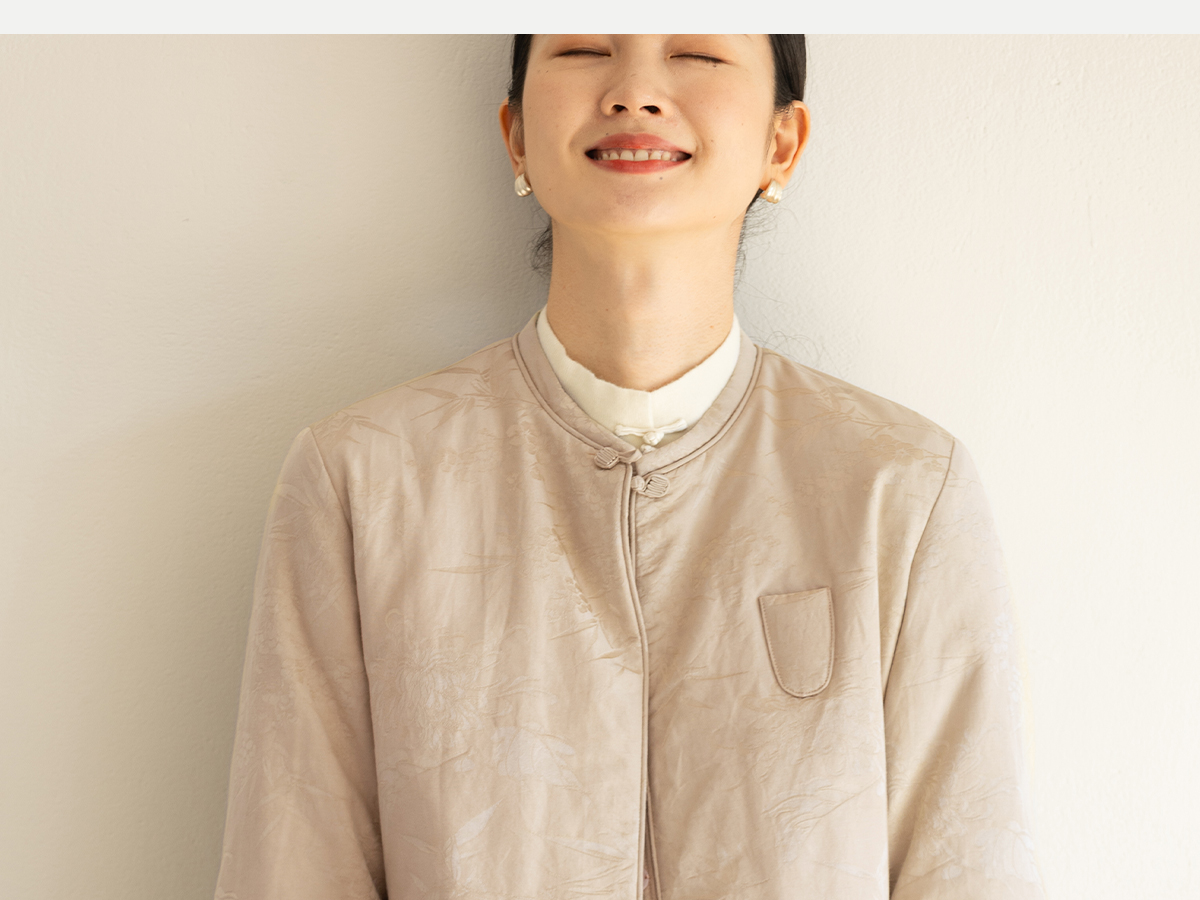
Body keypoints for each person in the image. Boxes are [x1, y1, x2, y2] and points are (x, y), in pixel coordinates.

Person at [213, 35, 1045, 900]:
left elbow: (968, 868)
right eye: (583, 48)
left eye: (697, 53)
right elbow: (291, 868)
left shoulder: (901, 489)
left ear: (782, 142)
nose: (635, 91)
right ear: (516, 135)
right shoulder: (364, 481)